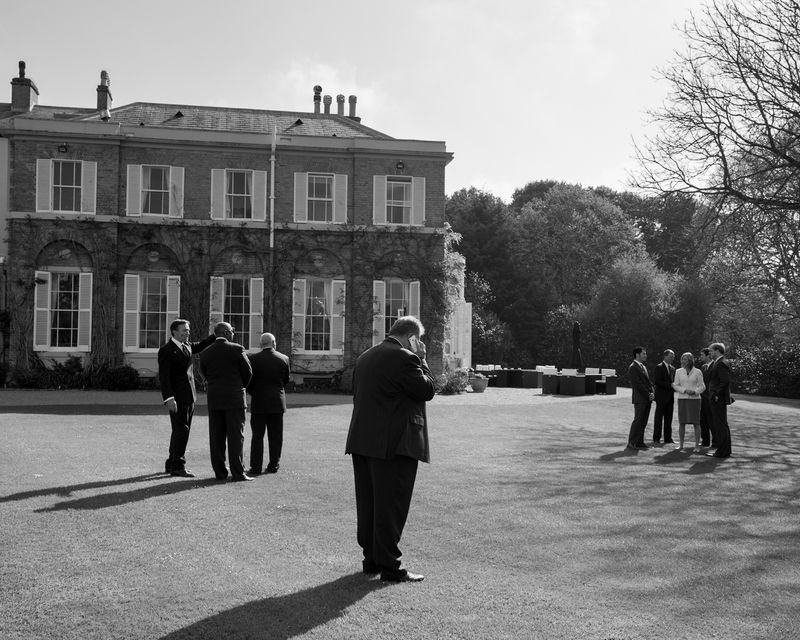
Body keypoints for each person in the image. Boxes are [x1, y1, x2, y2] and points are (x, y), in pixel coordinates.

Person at [345, 316, 435, 583]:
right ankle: (391, 567)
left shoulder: (365, 357)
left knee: (369, 504)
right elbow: (427, 390)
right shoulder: (406, 358)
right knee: (391, 506)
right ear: (412, 338)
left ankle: (371, 560)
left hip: (362, 441)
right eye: (419, 341)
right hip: (394, 444)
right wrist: (423, 359)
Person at [157, 319, 216, 477]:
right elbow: (164, 378)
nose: (188, 333)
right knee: (181, 430)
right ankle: (178, 466)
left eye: (188, 330)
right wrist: (169, 398)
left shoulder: (188, 346)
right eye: (184, 330)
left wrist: (216, 335)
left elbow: (202, 344)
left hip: (190, 396)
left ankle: (171, 463)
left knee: (180, 430)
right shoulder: (166, 350)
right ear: (175, 332)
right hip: (176, 398)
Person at [199, 322, 254, 481]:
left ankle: (220, 473)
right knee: (236, 437)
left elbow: (204, 374)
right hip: (234, 398)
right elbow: (248, 373)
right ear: (225, 332)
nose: (233, 333)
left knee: (216, 437)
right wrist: (239, 387)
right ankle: (238, 473)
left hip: (215, 398)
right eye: (232, 330)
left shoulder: (206, 352)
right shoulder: (237, 349)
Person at [246, 332, 291, 475]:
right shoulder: (284, 358)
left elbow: (249, 382)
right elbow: (285, 380)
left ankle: (256, 466)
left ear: (261, 344)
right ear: (274, 343)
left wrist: (255, 393)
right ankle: (273, 465)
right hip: (277, 401)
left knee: (257, 436)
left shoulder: (252, 359)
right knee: (276, 436)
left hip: (259, 401)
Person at [671, 352, 706, 452]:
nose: (683, 361)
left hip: (695, 400)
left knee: (696, 423)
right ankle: (681, 445)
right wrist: (685, 390)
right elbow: (675, 385)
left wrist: (695, 392)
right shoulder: (678, 371)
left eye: (685, 359)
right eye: (682, 359)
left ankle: (697, 446)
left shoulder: (698, 372)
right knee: (682, 422)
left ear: (690, 360)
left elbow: (702, 386)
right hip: (682, 399)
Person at [706, 342, 733, 458]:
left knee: (720, 425)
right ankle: (725, 450)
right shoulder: (719, 362)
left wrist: (717, 394)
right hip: (717, 398)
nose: (710, 353)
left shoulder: (721, 363)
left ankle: (722, 452)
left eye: (711, 351)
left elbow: (725, 381)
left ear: (717, 350)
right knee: (722, 425)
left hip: (717, 399)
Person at [627, 346, 654, 450]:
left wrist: (652, 392)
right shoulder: (633, 367)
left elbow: (648, 382)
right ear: (637, 355)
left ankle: (639, 442)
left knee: (644, 421)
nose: (645, 355)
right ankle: (631, 442)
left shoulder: (643, 366)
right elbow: (638, 384)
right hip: (640, 399)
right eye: (644, 354)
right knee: (638, 420)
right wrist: (648, 394)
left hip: (647, 398)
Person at [652, 349, 676, 445]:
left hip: (670, 397)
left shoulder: (673, 369)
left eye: (673, 357)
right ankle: (656, 438)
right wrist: (670, 385)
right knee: (658, 418)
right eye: (671, 356)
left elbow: (674, 382)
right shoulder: (659, 367)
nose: (672, 358)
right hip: (661, 397)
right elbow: (657, 381)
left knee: (669, 418)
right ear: (665, 356)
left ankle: (668, 438)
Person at [698, 348, 714, 448]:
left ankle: (715, 441)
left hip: (710, 397)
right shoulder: (703, 367)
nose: (701, 357)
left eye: (702, 355)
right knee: (702, 420)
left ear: (708, 355)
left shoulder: (715, 366)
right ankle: (705, 441)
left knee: (712, 420)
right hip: (702, 397)